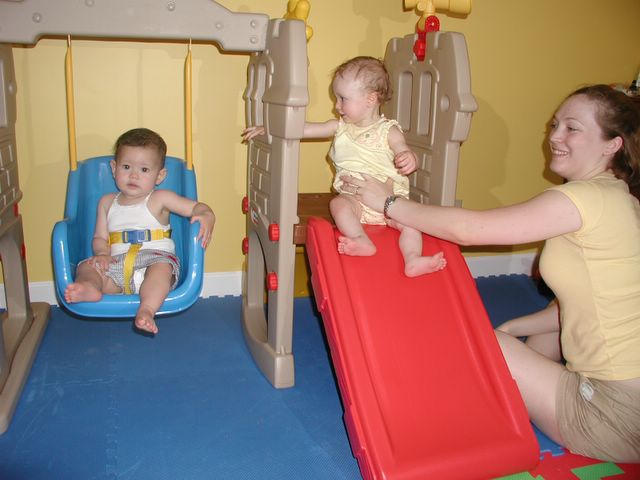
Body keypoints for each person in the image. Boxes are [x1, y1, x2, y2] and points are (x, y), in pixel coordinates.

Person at [341, 84, 640, 463]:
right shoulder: (620, 198)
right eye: (554, 125)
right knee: (501, 339)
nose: (554, 137)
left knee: (464, 339)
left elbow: (469, 230)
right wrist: (512, 328)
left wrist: (387, 202)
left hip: (614, 415)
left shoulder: (583, 199)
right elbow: (583, 303)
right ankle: (512, 391)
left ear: (612, 144)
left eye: (572, 128)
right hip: (626, 398)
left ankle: (468, 422)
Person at [243, 56, 446, 276]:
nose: (337, 106)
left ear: (370, 99)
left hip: (390, 201)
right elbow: (304, 129)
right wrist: (270, 128)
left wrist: (409, 158)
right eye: (336, 99)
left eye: (342, 99)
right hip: (355, 200)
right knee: (338, 205)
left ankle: (413, 259)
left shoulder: (388, 130)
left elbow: (402, 149)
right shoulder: (340, 128)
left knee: (411, 224)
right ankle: (361, 240)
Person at [64, 128, 215, 335]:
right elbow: (99, 237)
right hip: (116, 264)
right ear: (114, 168)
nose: (134, 175)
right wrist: (102, 254)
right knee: (86, 267)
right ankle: (90, 287)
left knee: (162, 270)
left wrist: (207, 214)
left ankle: (147, 309)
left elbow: (195, 207)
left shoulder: (160, 198)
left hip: (155, 260)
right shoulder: (107, 202)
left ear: (159, 175)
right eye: (126, 167)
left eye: (144, 170)